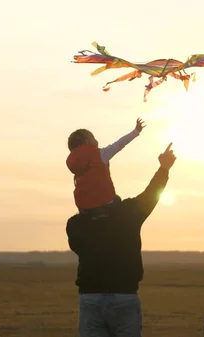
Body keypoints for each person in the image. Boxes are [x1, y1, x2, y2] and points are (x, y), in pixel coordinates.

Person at [66, 142, 177, 337]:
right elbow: (151, 194)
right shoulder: (128, 213)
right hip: (124, 295)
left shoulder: (75, 224)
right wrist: (164, 168)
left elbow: (79, 247)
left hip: (90, 296)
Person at [66, 118, 146, 212]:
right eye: (93, 137)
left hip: (83, 206)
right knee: (117, 200)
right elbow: (119, 144)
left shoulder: (71, 161)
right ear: (87, 141)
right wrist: (136, 131)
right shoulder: (99, 154)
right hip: (103, 202)